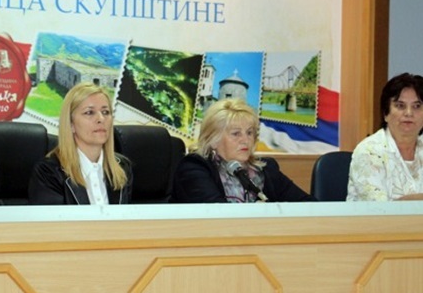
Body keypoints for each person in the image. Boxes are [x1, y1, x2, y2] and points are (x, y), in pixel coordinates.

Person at [171, 98, 315, 203]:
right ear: (213, 139)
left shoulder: (266, 169)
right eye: (236, 133)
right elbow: (216, 217)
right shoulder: (194, 168)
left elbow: (310, 206)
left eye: (249, 132)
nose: (245, 140)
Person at [28, 82, 132, 205]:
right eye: (89, 112)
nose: (101, 119)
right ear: (71, 124)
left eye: (105, 112)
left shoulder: (122, 168)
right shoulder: (49, 172)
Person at [347, 72, 423, 201]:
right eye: (400, 106)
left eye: (417, 106)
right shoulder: (369, 151)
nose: (409, 113)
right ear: (386, 114)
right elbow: (381, 208)